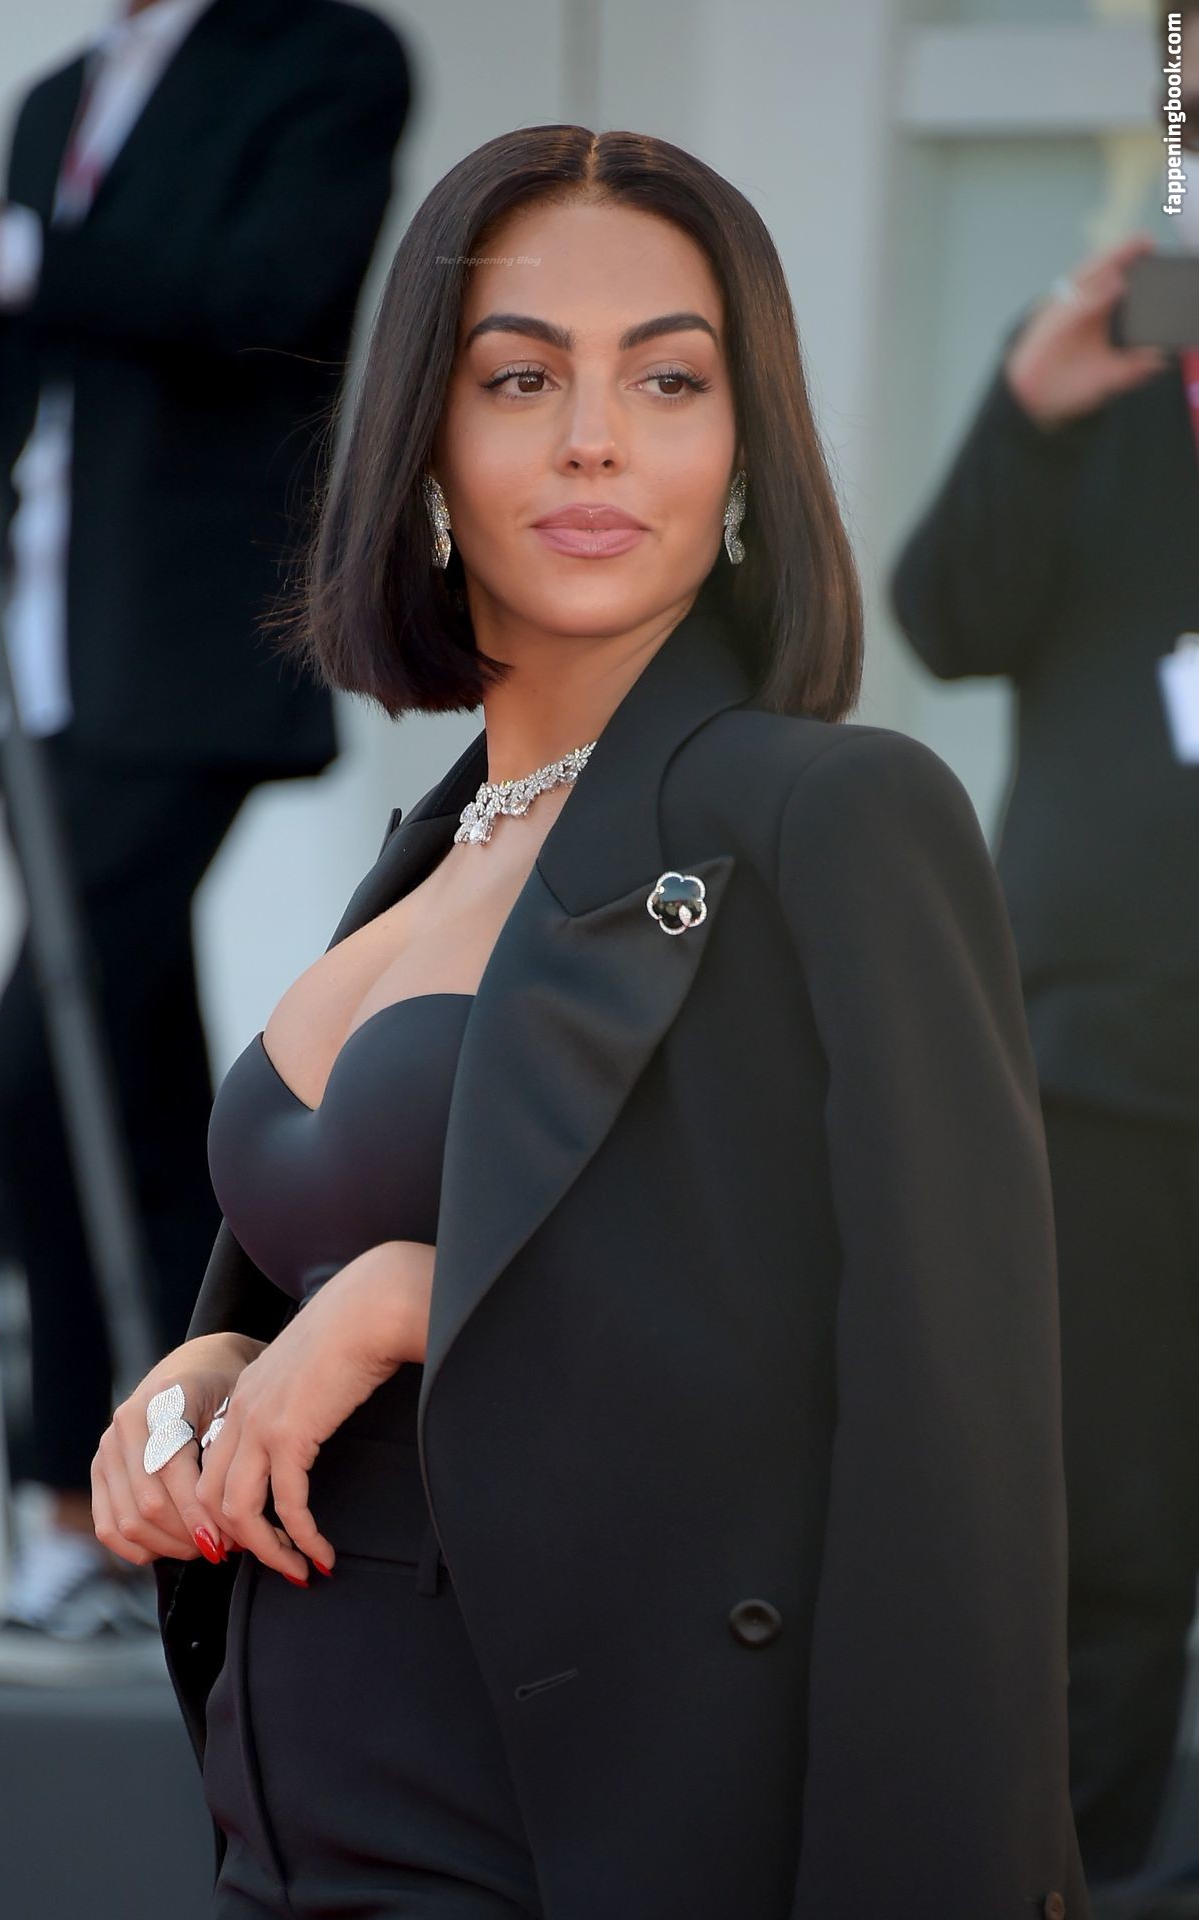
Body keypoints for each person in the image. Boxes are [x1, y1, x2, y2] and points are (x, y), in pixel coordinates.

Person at [91, 123, 1088, 1918]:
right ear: (423, 444)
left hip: (571, 1843)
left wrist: (412, 1296)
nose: (594, 437)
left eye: (669, 378)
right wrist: (226, 1357)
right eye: (521, 376)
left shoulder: (830, 815)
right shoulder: (431, 846)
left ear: (744, 450)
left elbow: (944, 1428)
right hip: (284, 1826)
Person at [0, 0, 410, 1668]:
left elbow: (267, 305)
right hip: (34, 658)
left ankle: (83, 1514)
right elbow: (5, 367)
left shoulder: (325, 58)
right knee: (127, 1084)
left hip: (182, 652)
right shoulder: (60, 90)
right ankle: (187, 1487)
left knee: (32, 1071)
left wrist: (1, 243)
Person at [888, 7, 1199, 1890]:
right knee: (1098, 1523)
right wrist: (1030, 404)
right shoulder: (1098, 375)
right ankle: (1082, 1878)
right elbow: (942, 615)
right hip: (1093, 1035)